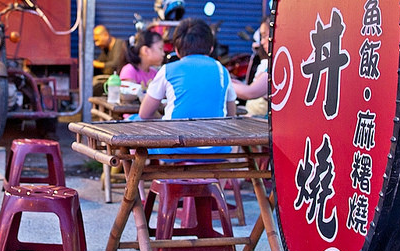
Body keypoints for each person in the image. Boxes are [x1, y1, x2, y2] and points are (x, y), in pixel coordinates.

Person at [139, 17, 237, 157]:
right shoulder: (222, 70)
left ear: (177, 50)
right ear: (211, 48)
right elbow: (231, 115)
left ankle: (138, 178)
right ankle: (229, 178)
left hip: (172, 150)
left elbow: (144, 113)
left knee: (133, 120)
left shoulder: (168, 70)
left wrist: (163, 118)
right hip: (216, 151)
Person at [232, 17, 269, 116]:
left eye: (265, 36)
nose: (261, 42)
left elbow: (250, 93)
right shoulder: (269, 65)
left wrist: (225, 82)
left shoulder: (276, 68)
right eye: (262, 37)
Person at [92, 24, 127, 96]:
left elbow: (116, 64)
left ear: (105, 35)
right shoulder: (106, 49)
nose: (96, 44)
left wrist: (96, 64)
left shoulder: (119, 44)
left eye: (97, 40)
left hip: (117, 82)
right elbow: (99, 62)